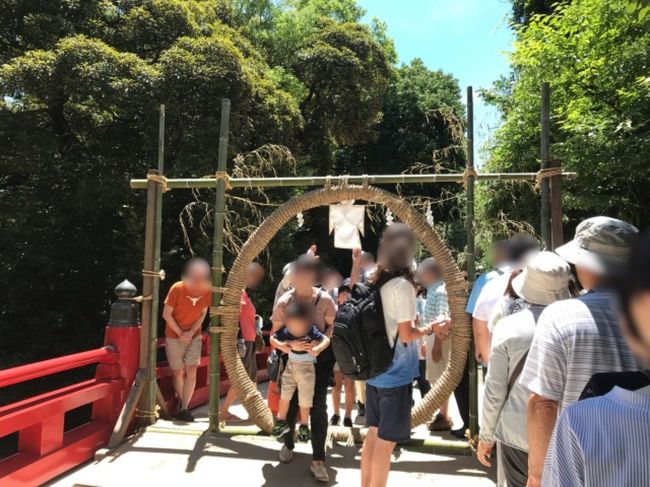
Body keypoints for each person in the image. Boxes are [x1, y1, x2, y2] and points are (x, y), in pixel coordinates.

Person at [520, 216, 640, 486]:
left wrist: (536, 477)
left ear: (586, 264)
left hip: (577, 464)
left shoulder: (561, 316)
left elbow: (543, 403)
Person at [359, 223, 448, 487]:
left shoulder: (373, 278)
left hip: (374, 371)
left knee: (373, 434)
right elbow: (407, 334)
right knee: (387, 442)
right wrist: (433, 326)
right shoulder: (403, 286)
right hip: (395, 374)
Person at [476, 252, 571, 487]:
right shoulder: (576, 327)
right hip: (565, 436)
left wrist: (486, 436)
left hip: (516, 435)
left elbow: (494, 390)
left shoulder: (509, 327)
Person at [272, 254, 336, 482]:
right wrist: (288, 345)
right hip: (291, 361)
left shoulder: (325, 300)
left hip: (320, 362)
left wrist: (322, 344)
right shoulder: (284, 302)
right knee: (289, 405)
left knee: (318, 407)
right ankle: (288, 443)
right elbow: (274, 336)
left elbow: (332, 328)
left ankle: (318, 460)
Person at [453, 240, 510, 438]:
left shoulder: (486, 280)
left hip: (494, 349)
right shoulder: (529, 275)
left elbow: (475, 317)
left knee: (495, 393)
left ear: (498, 255)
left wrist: (478, 346)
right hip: (528, 348)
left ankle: (492, 435)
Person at [270, 301, 330, 442]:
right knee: (285, 396)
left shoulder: (311, 331)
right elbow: (273, 338)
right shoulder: (286, 331)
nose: (295, 329)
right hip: (290, 367)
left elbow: (326, 339)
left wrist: (318, 349)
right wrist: (282, 346)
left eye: (299, 325)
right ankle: (281, 421)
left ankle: (304, 425)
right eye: (292, 325)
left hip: (307, 369)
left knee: (305, 400)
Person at [162, 258, 212, 422]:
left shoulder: (207, 290)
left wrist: (190, 333)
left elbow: (203, 313)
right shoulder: (177, 288)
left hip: (194, 335)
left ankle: (185, 408)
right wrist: (181, 333)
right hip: (173, 335)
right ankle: (184, 404)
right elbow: (166, 314)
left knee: (192, 370)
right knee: (177, 372)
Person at [220, 262, 265, 420]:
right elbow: (232, 314)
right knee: (242, 378)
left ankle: (255, 411)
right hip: (243, 341)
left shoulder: (244, 293)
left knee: (252, 378)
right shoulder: (237, 293)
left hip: (250, 340)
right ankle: (224, 411)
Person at [417, 257, 453, 431]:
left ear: (430, 272)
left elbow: (442, 319)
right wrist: (426, 341)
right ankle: (442, 413)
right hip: (432, 335)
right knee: (435, 377)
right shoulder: (433, 289)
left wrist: (436, 345)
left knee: (440, 378)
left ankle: (443, 415)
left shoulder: (440, 290)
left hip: (440, 337)